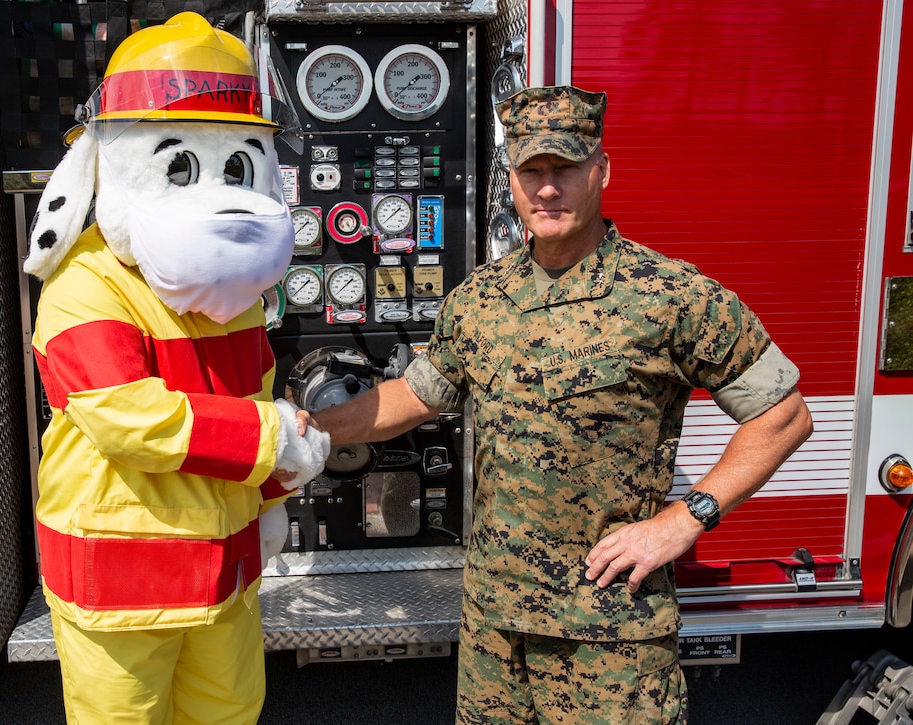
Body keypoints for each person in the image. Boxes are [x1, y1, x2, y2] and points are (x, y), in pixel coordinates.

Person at [305, 85, 813, 723]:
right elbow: (414, 394)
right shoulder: (480, 300)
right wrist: (308, 430)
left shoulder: (671, 296)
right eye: (532, 171)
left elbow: (783, 415)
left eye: (566, 168)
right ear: (512, 182)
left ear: (601, 171)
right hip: (495, 626)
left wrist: (685, 520)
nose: (548, 189)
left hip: (611, 634)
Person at [23, 13, 328, 724]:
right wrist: (272, 440)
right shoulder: (85, 284)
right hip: (123, 590)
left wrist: (275, 496)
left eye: (236, 166)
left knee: (230, 711)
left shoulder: (238, 292)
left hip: (224, 570)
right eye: (182, 165)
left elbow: (255, 394)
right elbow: (127, 417)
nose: (216, 199)